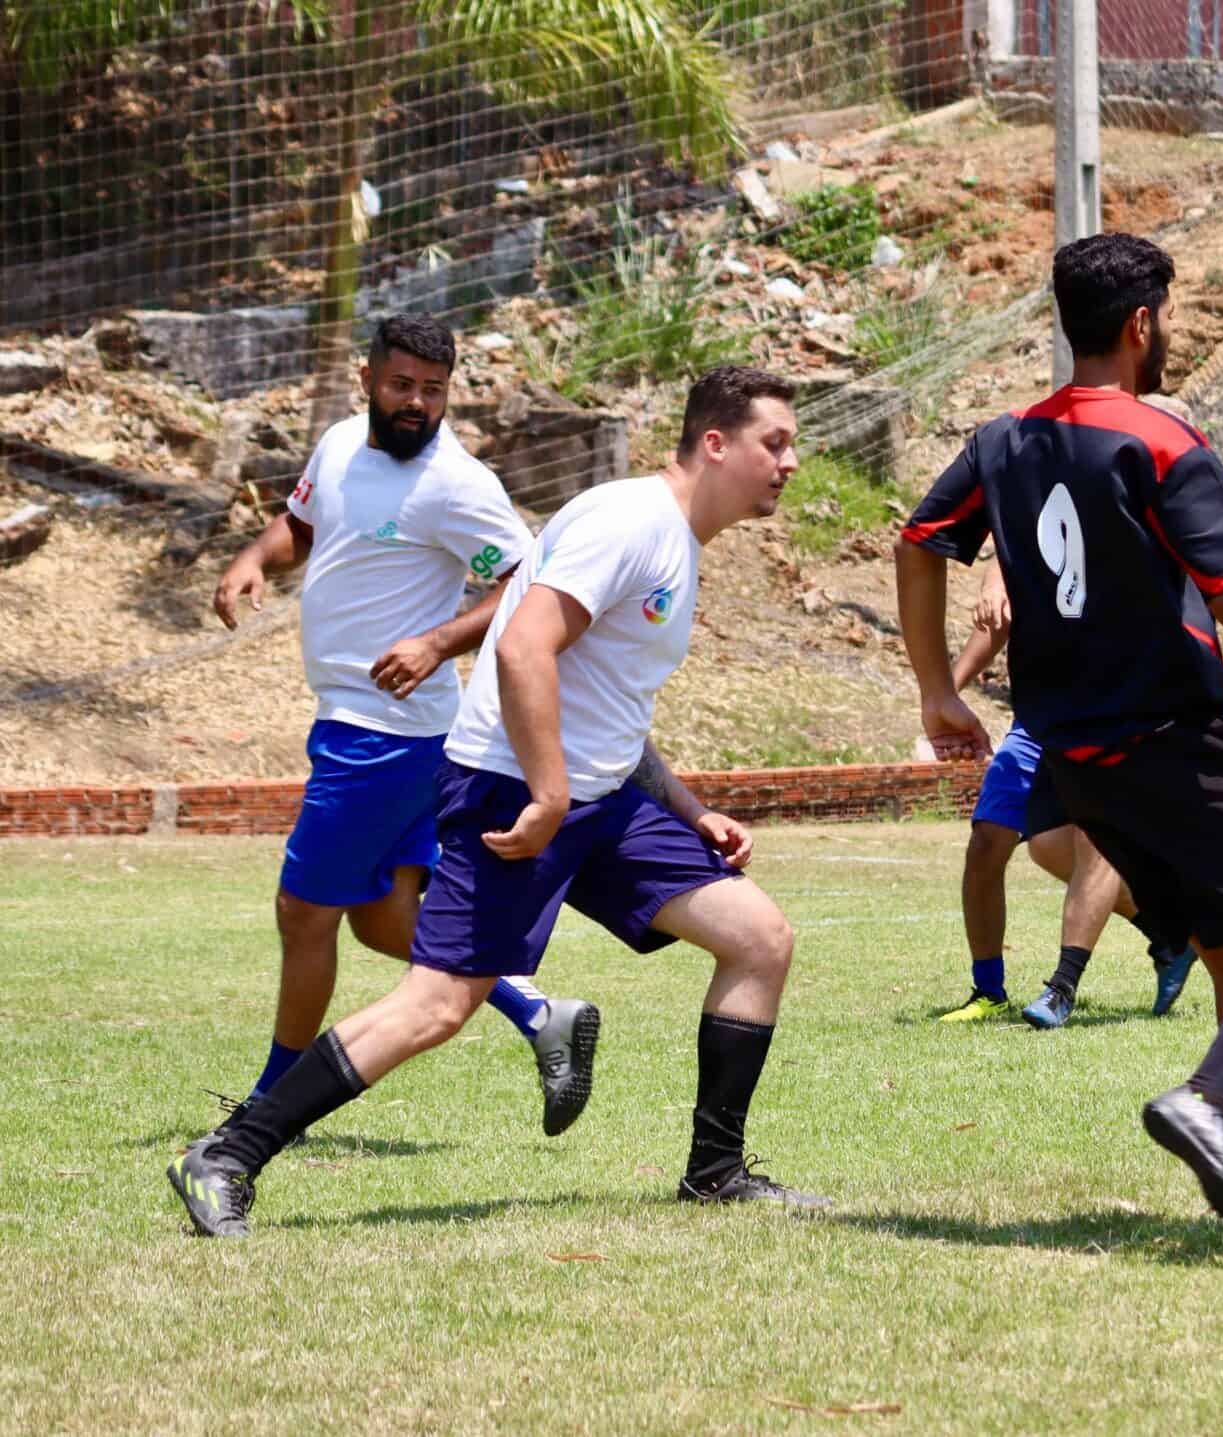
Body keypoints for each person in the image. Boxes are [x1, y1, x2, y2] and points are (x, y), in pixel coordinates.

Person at [169, 367, 827, 1236]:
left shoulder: (675, 539)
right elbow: (522, 649)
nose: (790, 462)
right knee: (438, 1004)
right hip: (513, 791)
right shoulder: (632, 521)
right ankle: (227, 1154)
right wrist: (549, 792)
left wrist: (688, 807)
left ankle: (715, 1172)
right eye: (774, 443)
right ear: (715, 443)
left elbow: (608, 705)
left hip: (597, 798)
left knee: (759, 938)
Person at [896, 232, 1223, 1238]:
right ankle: (1207, 1099)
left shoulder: (1001, 441)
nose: (1168, 332)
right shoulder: (1161, 440)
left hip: (1081, 764)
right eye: (1166, 316)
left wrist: (934, 693)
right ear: (1141, 324)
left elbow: (919, 543)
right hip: (1182, 742)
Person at [208, 313, 598, 1139]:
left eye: (433, 389)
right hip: (368, 723)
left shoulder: (456, 483)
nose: (417, 402)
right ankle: (541, 1013)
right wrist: (252, 558)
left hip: (384, 733)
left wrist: (438, 641)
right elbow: (301, 526)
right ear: (368, 380)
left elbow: (531, 581)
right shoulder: (338, 446)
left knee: (303, 911)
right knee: (384, 917)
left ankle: (274, 1103)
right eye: (401, 385)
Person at [935, 560, 1197, 1028]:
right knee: (999, 843)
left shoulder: (1129, 532)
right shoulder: (1036, 526)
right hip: (1039, 720)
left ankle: (1062, 986)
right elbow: (1005, 567)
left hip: (1111, 712)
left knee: (1090, 841)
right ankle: (990, 990)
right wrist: (943, 694)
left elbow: (1208, 587)